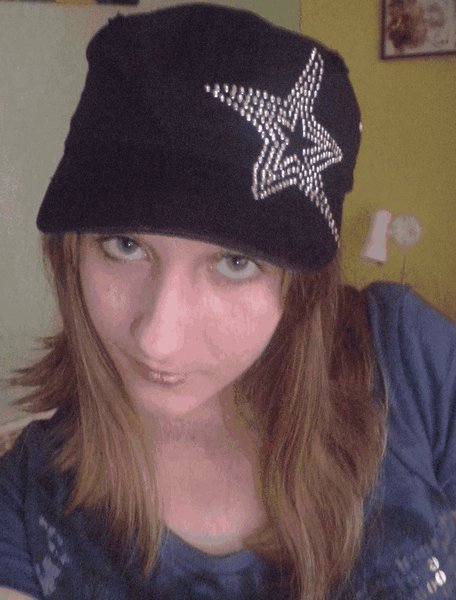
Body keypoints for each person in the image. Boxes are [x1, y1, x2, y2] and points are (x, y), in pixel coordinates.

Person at [0, 4, 455, 599]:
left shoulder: (408, 364)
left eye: (235, 263)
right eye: (125, 245)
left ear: (301, 285)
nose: (157, 338)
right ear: (70, 252)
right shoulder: (30, 493)